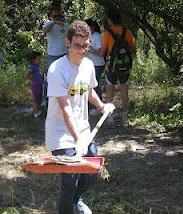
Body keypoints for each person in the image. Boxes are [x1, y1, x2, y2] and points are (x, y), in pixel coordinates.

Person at [45, 20, 115, 214]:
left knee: (93, 171)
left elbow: (89, 91)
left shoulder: (89, 65)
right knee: (70, 177)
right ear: (67, 42)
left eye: (86, 46)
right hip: (60, 133)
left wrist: (102, 107)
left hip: (83, 129)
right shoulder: (57, 69)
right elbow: (65, 108)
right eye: (77, 45)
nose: (82, 50)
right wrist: (78, 141)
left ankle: (75, 200)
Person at [96, 8, 136, 126]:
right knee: (124, 91)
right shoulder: (127, 32)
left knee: (109, 90)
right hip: (125, 66)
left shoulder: (106, 34)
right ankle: (125, 117)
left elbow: (102, 53)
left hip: (111, 67)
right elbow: (133, 49)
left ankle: (109, 118)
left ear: (110, 19)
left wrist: (92, 51)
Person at [42, 5, 69, 105]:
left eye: (59, 16)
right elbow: (44, 31)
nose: (58, 18)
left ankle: (63, 97)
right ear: (51, 16)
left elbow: (70, 36)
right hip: (52, 55)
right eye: (55, 16)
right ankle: (46, 99)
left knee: (65, 77)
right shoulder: (48, 24)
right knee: (50, 77)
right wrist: (54, 22)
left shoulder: (65, 25)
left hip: (64, 54)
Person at [85, 18, 105, 116]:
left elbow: (101, 53)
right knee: (89, 85)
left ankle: (98, 107)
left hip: (97, 64)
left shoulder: (97, 37)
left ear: (92, 27)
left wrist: (91, 50)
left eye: (87, 26)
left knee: (94, 85)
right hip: (88, 64)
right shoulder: (86, 36)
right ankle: (91, 106)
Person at [24, 51, 45, 118]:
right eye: (38, 60)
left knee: (39, 99)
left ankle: (37, 110)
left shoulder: (37, 66)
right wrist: (32, 79)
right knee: (36, 100)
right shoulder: (32, 67)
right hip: (36, 86)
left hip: (39, 85)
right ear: (33, 60)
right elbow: (26, 75)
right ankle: (36, 113)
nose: (40, 61)